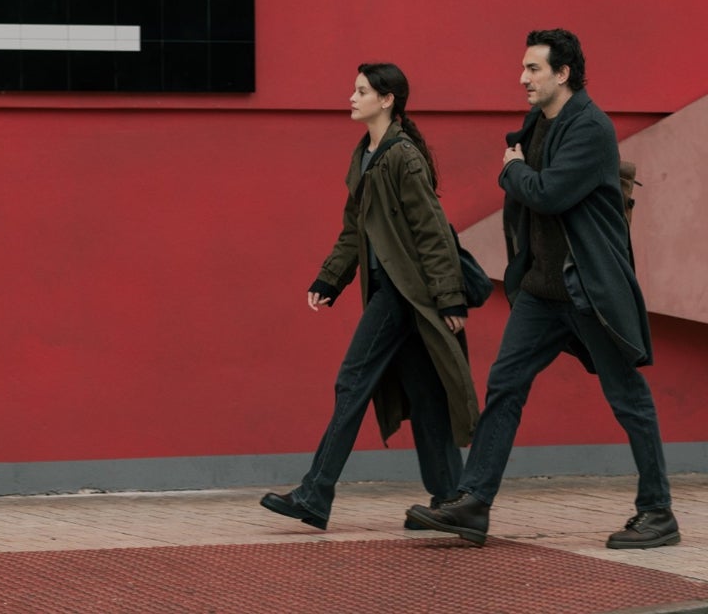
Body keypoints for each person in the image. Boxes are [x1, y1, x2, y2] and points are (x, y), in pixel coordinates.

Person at [406, 28, 679, 549]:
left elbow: (548, 193)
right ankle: (474, 503)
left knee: (628, 398)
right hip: (541, 291)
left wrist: (511, 169)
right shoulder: (538, 121)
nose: (522, 78)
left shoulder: (591, 128)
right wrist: (519, 169)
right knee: (505, 386)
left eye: (533, 69)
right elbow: (531, 185)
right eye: (524, 68)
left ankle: (658, 512)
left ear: (563, 73)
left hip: (588, 289)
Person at [260, 63, 479, 531]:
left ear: (387, 100)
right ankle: (448, 499)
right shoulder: (365, 155)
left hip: (404, 295)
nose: (352, 97)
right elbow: (352, 230)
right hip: (387, 289)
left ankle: (314, 494)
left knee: (351, 382)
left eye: (362, 91)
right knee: (425, 395)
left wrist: (450, 300)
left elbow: (433, 233)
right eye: (353, 89)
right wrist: (329, 280)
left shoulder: (403, 157)